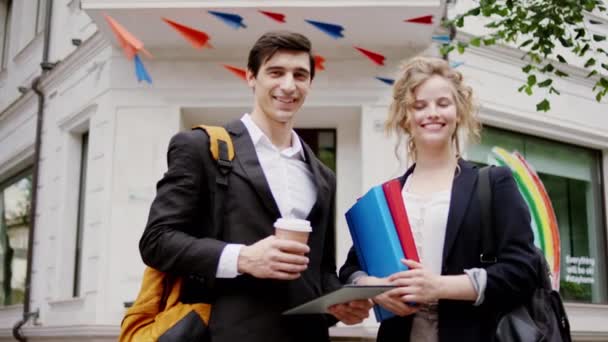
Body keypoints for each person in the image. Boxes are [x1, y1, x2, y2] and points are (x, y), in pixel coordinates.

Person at [139, 31, 372, 342]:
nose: (288, 85)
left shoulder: (322, 175)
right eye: (276, 72)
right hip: (222, 333)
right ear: (251, 77)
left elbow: (318, 269)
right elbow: (157, 241)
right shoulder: (200, 147)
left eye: (299, 75)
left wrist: (337, 300)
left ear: (309, 84)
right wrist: (243, 258)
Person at [339, 56, 540, 342]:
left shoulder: (494, 182)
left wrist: (439, 286)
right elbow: (350, 270)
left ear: (458, 111)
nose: (431, 113)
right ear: (405, 118)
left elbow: (523, 270)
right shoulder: (387, 196)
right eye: (419, 106)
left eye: (442, 104)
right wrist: (374, 286)